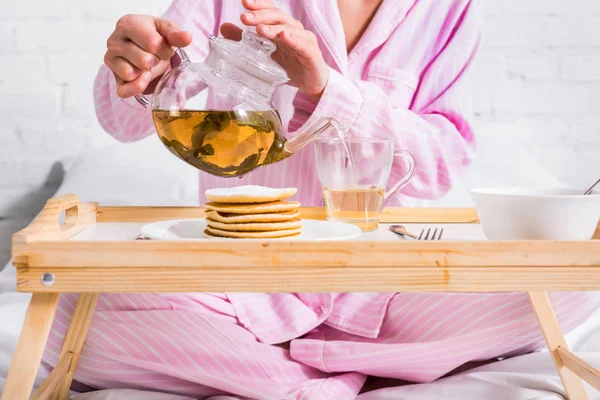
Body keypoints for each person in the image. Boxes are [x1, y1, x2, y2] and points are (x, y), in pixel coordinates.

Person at [41, 1, 599, 399]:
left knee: (566, 288)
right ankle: (353, 378)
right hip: (238, 283)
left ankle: (267, 374)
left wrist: (326, 90)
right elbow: (125, 118)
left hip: (383, 288)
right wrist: (140, 63)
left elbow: (439, 163)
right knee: (76, 309)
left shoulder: (447, 8)